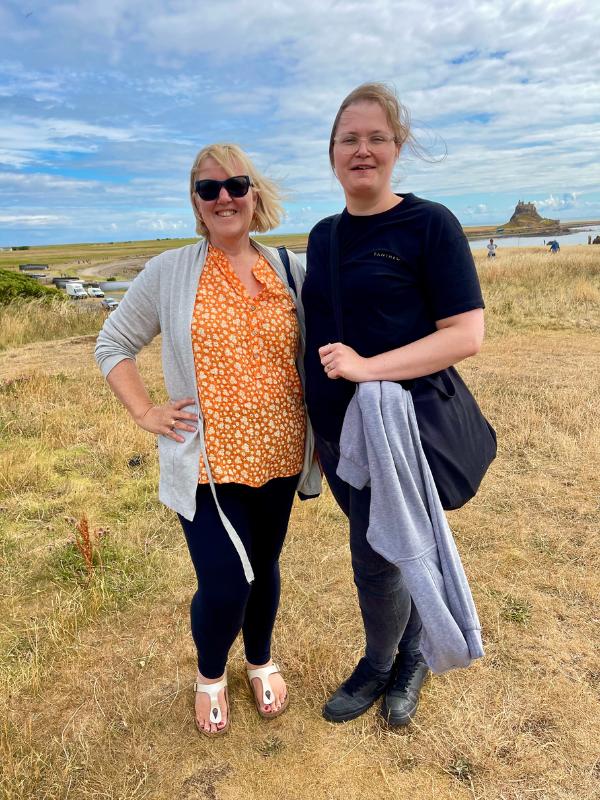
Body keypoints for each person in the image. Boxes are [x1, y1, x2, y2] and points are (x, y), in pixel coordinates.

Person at [95, 144, 320, 736]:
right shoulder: (171, 270)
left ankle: (260, 658)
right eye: (208, 189)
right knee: (224, 581)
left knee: (265, 566)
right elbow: (112, 343)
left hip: (279, 452)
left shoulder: (289, 269)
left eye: (235, 184)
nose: (224, 197)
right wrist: (145, 411)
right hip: (206, 465)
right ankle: (211, 672)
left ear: (254, 194)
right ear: (196, 203)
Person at [302, 83, 485, 727]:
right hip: (338, 432)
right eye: (349, 138)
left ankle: (387, 664)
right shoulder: (322, 237)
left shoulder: (429, 224)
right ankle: (406, 651)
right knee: (389, 543)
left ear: (397, 147)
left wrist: (367, 369)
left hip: (402, 430)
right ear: (331, 153)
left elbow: (466, 333)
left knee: (378, 556)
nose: (362, 150)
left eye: (376, 137)